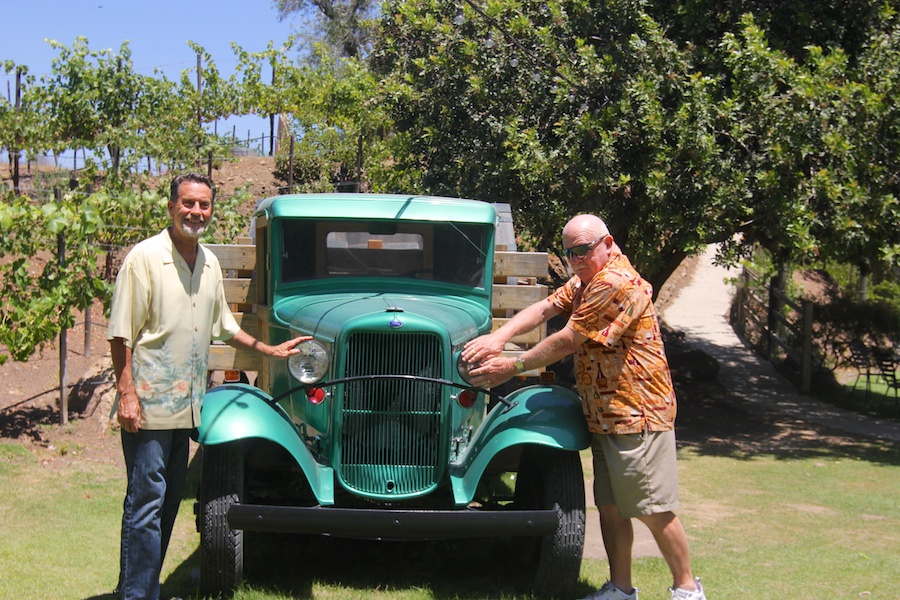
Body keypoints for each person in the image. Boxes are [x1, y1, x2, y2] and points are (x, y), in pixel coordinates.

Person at [461, 214, 705, 600]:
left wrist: (512, 365)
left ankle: (688, 589)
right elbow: (545, 309)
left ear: (607, 243)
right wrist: (500, 336)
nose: (576, 258)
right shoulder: (588, 277)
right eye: (569, 252)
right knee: (610, 507)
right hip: (606, 414)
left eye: (583, 250)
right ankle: (621, 589)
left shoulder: (613, 282)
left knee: (652, 506)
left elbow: (568, 339)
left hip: (636, 413)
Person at [107, 172, 308, 600]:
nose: (196, 211)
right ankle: (136, 595)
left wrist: (268, 350)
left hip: (188, 405)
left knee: (166, 502)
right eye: (188, 203)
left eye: (204, 204)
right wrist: (126, 395)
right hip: (148, 404)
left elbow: (225, 326)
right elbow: (120, 335)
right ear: (171, 206)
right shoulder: (145, 258)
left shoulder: (210, 262)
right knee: (145, 504)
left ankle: (145, 589)